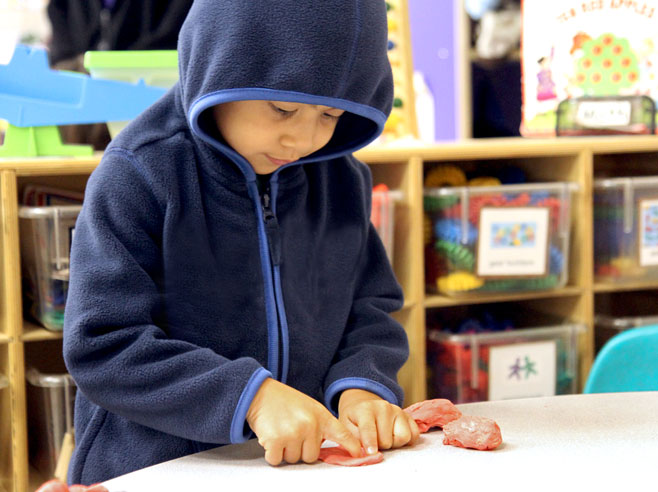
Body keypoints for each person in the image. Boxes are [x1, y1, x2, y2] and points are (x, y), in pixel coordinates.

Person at [63, 0, 419, 485]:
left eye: (330, 114)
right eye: (283, 108)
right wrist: (251, 397)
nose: (302, 139)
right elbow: (103, 344)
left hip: (294, 467)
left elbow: (370, 305)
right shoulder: (139, 173)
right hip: (154, 469)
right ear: (219, 64)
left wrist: (362, 384)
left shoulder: (341, 181)